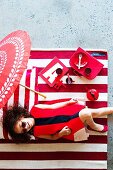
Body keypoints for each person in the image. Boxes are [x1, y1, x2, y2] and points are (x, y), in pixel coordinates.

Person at [3, 98, 112, 142]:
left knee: (96, 112)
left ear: (20, 117)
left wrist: (68, 103)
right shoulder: (36, 133)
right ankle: (93, 125)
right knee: (87, 113)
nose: (26, 128)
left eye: (22, 125)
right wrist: (61, 133)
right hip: (68, 126)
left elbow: (54, 106)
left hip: (68, 112)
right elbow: (52, 137)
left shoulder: (35, 108)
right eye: (23, 131)